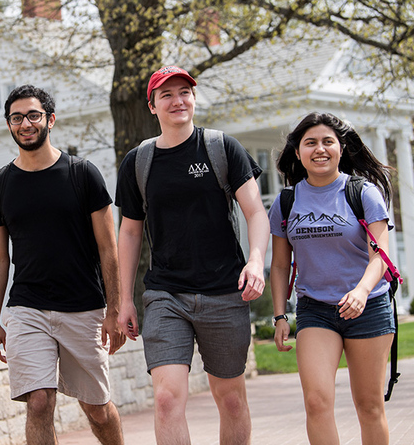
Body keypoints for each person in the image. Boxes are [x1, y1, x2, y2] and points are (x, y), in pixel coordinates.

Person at [115, 66, 270, 445]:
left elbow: (255, 213)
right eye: (166, 95)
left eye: (184, 92)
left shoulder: (221, 148)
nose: (177, 100)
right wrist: (124, 300)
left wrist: (254, 260)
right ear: (152, 106)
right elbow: (130, 231)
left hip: (224, 292)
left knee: (231, 400)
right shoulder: (138, 162)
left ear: (194, 99)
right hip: (166, 294)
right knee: (167, 399)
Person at [0, 84, 125, 445]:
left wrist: (114, 309)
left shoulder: (83, 174)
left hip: (83, 308)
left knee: (97, 408)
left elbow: (109, 249)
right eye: (17, 118)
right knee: (39, 402)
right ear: (8, 124)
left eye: (33, 115)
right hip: (27, 308)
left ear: (50, 119)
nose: (25, 124)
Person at [268, 112, 395, 445]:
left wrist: (362, 291)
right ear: (298, 152)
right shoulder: (286, 201)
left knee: (369, 406)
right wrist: (280, 314)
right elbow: (280, 265)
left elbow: (380, 256)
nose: (319, 149)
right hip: (316, 310)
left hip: (368, 308)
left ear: (341, 148)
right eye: (310, 143)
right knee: (316, 401)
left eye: (328, 142)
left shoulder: (363, 193)